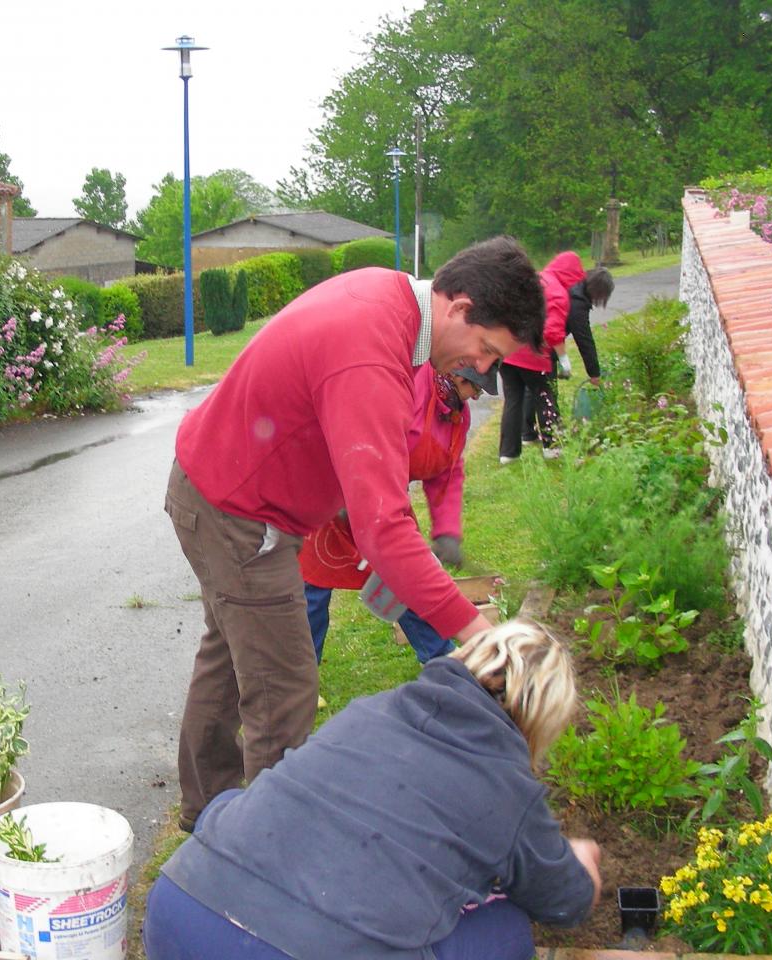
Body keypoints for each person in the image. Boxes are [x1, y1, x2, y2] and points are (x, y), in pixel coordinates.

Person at [165, 236, 545, 832]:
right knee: (285, 687)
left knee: (231, 659)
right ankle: (261, 853)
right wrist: (475, 631)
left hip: (219, 490)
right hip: (237, 515)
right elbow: (385, 530)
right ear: (460, 306)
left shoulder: (390, 297)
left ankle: (206, 813)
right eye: (487, 350)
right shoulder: (372, 350)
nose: (483, 369)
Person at [142, 620, 603, 960]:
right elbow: (566, 903)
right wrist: (581, 861)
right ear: (543, 718)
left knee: (231, 805)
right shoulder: (508, 787)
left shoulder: (374, 710)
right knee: (504, 932)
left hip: (180, 918)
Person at [299, 363, 499, 666]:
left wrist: (446, 531)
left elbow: (448, 472)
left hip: (386, 499)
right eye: (476, 388)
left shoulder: (456, 416)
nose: (475, 397)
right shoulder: (409, 388)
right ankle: (299, 678)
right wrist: (350, 487)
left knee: (406, 576)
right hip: (338, 490)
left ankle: (440, 659)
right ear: (459, 376)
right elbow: (355, 426)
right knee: (313, 586)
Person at [497, 251, 585, 463]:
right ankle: (552, 447)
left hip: (507, 351)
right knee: (545, 397)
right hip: (533, 355)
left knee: (513, 400)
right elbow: (553, 331)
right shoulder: (557, 292)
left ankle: (508, 453)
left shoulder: (532, 279)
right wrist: (564, 360)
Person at [521, 266, 614, 443]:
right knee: (546, 390)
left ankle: (528, 433)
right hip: (542, 344)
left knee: (532, 387)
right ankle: (551, 435)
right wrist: (594, 373)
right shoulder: (577, 304)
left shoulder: (571, 286)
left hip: (531, 338)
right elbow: (584, 341)